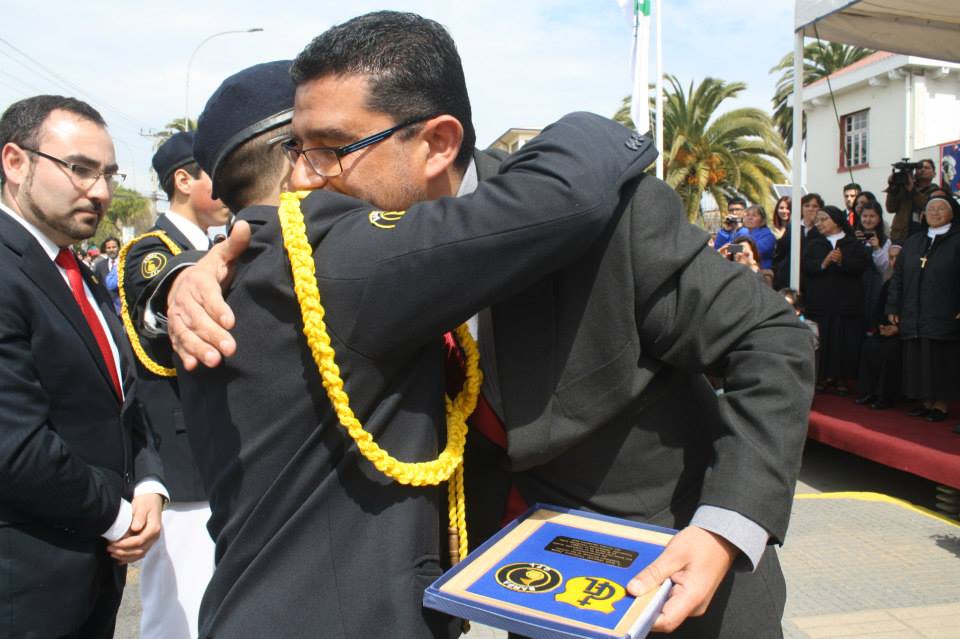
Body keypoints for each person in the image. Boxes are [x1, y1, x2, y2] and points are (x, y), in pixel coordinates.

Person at [169, 12, 814, 638]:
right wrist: (175, 279)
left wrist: (725, 526)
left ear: (438, 143)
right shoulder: (350, 258)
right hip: (533, 596)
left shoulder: (604, 224)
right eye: (297, 148)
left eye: (332, 150)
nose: (304, 178)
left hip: (679, 584)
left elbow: (770, 339)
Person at [167, 55, 654, 638]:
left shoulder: (225, 275)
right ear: (301, 154)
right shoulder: (340, 256)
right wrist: (601, 126)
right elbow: (560, 199)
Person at [0, 95, 165, 638]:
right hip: (25, 581)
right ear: (15, 162)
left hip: (92, 576)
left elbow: (122, 398)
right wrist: (117, 516)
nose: (100, 192)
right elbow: (14, 448)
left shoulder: (78, 270)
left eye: (109, 174)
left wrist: (148, 483)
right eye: (80, 169)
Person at [118, 130, 228, 639]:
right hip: (184, 461)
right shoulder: (151, 250)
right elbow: (174, 288)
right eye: (216, 174)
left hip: (221, 453)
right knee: (179, 612)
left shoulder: (211, 245)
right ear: (184, 180)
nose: (228, 185)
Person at [886, 194, 960, 422]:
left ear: (952, 214)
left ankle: (940, 404)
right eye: (931, 209)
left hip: (944, 309)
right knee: (917, 358)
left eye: (940, 208)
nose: (935, 213)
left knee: (940, 359)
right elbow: (898, 277)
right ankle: (925, 401)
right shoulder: (914, 241)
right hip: (913, 310)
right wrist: (893, 306)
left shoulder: (957, 240)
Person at [803, 205, 871, 395]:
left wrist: (842, 261)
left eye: (824, 219)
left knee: (844, 339)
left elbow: (861, 266)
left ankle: (841, 378)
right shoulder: (814, 244)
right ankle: (822, 377)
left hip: (846, 302)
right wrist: (823, 263)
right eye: (818, 220)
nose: (819, 223)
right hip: (821, 301)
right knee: (823, 338)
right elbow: (807, 267)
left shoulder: (853, 244)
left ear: (837, 221)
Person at [856, 244, 902, 410]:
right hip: (885, 329)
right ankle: (869, 392)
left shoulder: (912, 283)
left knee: (889, 350)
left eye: (897, 258)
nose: (893, 261)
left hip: (903, 332)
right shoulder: (889, 283)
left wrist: (898, 328)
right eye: (890, 258)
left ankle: (885, 396)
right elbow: (879, 309)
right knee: (870, 346)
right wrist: (880, 326)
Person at [772, 192, 824, 291]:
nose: (810, 209)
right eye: (807, 205)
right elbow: (781, 251)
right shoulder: (792, 227)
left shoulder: (823, 229)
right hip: (788, 277)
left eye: (815, 206)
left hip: (812, 280)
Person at [887, 158, 937, 241]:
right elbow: (890, 208)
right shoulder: (904, 188)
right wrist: (892, 187)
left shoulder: (936, 191)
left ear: (934, 174)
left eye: (926, 168)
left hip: (923, 236)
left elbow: (928, 206)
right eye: (919, 168)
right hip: (900, 236)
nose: (922, 170)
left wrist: (912, 190)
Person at [95, 236, 121, 313]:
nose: (111, 250)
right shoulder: (100, 266)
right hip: (109, 309)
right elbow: (97, 285)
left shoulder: (125, 264)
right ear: (105, 249)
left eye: (114, 247)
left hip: (125, 309)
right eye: (108, 248)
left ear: (119, 248)